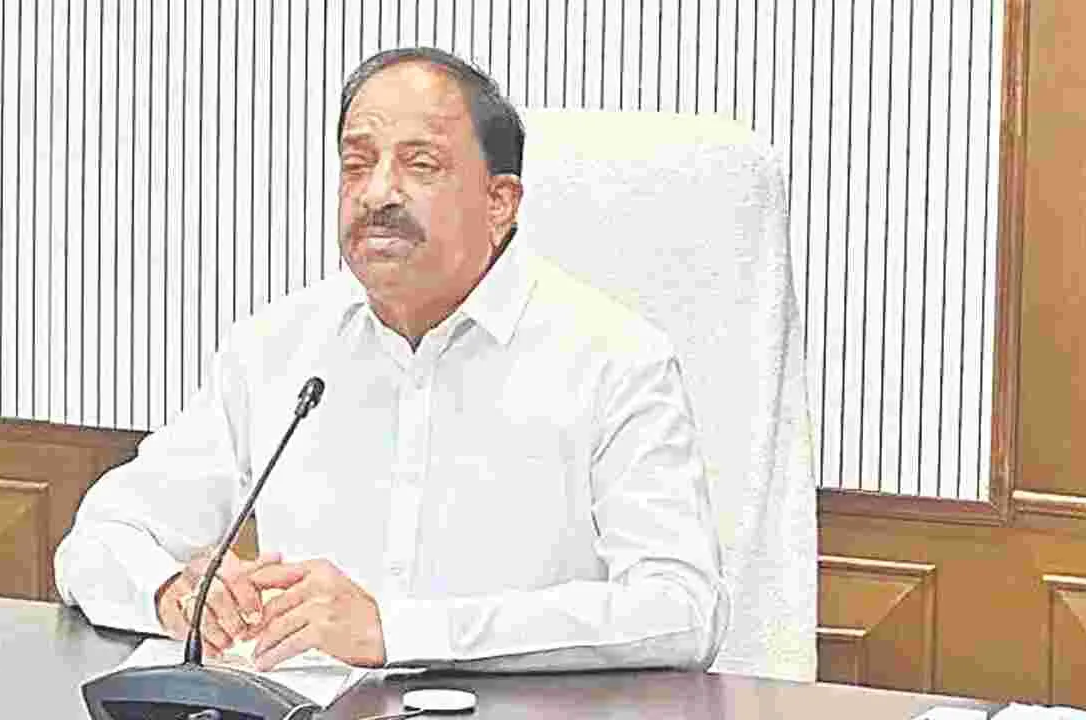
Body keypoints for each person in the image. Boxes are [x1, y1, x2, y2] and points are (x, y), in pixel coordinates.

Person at [54, 46, 729, 673]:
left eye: (420, 165)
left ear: (500, 203)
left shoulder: (615, 359)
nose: (377, 193)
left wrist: (397, 632)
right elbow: (98, 539)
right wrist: (171, 592)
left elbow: (680, 610)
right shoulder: (276, 348)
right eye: (356, 164)